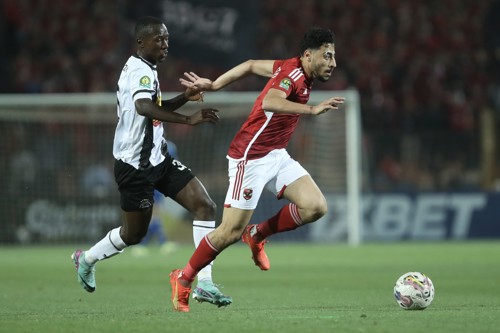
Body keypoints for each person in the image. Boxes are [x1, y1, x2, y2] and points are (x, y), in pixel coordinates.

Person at [169, 27, 345, 312]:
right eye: (327, 55)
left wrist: (213, 85)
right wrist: (312, 110)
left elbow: (251, 65)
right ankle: (183, 277)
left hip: (276, 154)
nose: (333, 63)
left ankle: (258, 234)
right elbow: (270, 101)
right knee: (228, 232)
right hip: (249, 157)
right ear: (308, 55)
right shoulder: (294, 75)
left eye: (334, 56)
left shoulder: (291, 66)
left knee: (315, 206)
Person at [71, 16, 232, 308]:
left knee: (205, 205)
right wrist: (188, 119)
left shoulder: (148, 69)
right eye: (158, 39)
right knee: (133, 235)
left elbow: (154, 107)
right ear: (140, 42)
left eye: (167, 39)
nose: (165, 44)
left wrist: (185, 96)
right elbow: (143, 107)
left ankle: (205, 283)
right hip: (134, 166)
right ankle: (87, 258)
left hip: (159, 159)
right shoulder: (138, 71)